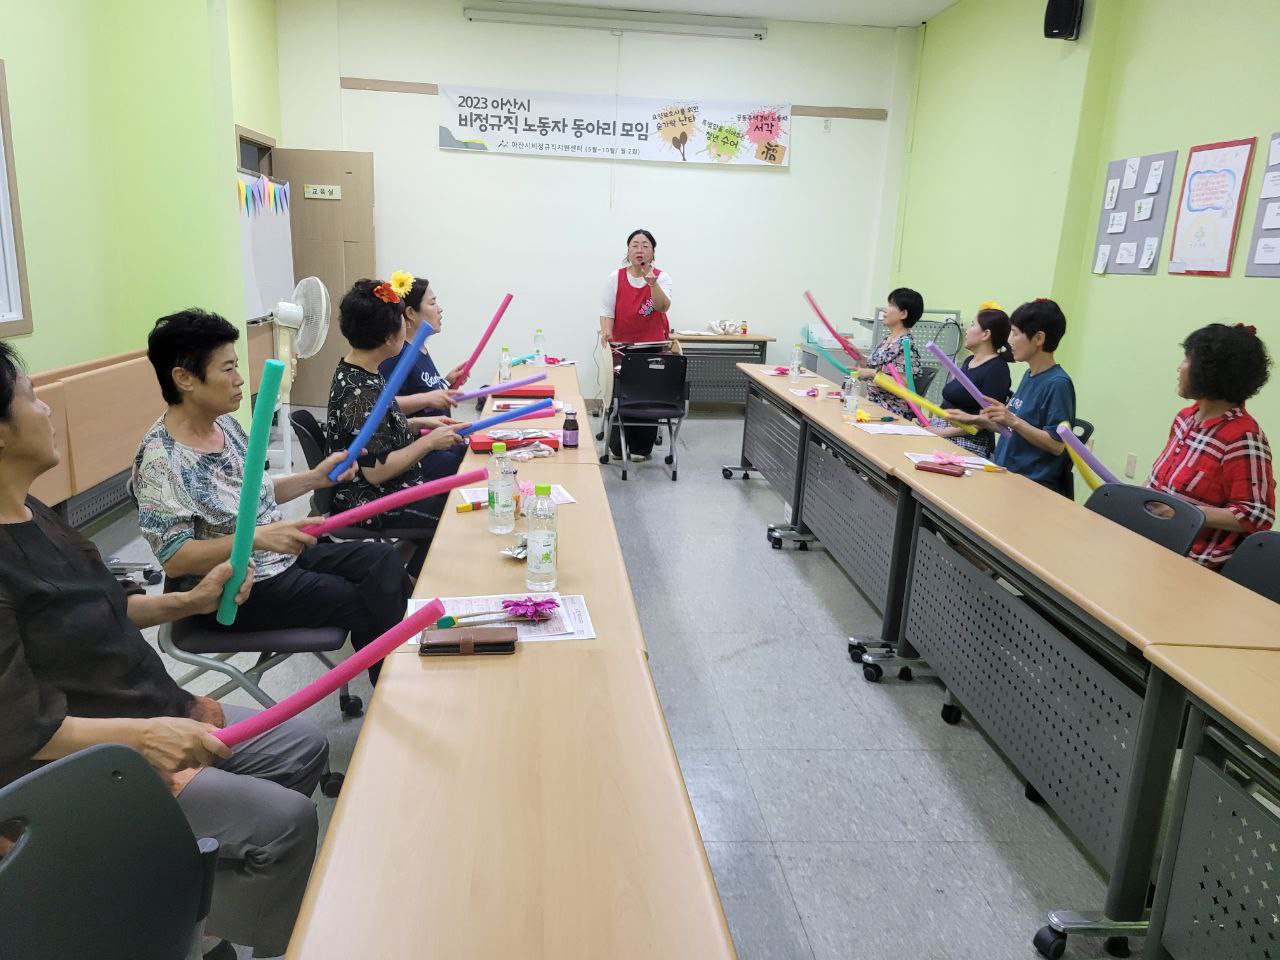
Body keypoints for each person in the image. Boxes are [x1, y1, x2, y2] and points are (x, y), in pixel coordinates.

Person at [0, 341, 324, 959]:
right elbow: (17, 729)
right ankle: (156, 924)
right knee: (286, 823)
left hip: (152, 706)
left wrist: (189, 602)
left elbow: (106, 605)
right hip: (76, 770)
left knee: (303, 745)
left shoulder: (35, 514)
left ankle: (187, 907)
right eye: (32, 398)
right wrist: (143, 736)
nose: (46, 411)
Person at [134, 308, 413, 682]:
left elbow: (256, 494)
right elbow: (176, 560)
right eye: (227, 368)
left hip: (281, 560)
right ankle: (395, 692)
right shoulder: (160, 459)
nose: (239, 379)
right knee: (364, 602)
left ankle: (402, 674)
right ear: (184, 378)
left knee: (381, 559)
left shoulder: (225, 426)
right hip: (240, 591)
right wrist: (259, 538)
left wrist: (314, 478)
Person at [327, 278, 464, 571]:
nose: (405, 326)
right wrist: (429, 441)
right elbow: (377, 472)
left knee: (458, 495)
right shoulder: (358, 393)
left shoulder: (364, 370)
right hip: (372, 500)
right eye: (401, 320)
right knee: (456, 516)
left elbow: (378, 428)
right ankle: (415, 585)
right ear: (390, 338)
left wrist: (417, 424)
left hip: (397, 485)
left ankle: (414, 571)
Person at [1148, 323, 1274, 569]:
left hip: (1193, 562)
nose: (1179, 367)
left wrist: (1181, 511)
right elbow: (1158, 483)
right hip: (1157, 542)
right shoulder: (1185, 418)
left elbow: (1258, 515)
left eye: (1187, 359)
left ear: (1210, 372)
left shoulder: (1243, 436)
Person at [976, 298, 1076, 497]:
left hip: (1029, 487)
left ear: (1038, 339)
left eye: (1015, 333)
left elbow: (1057, 445)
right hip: (1005, 474)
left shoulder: (1057, 384)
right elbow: (1015, 427)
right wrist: (977, 419)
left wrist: (1012, 419)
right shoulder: (1029, 375)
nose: (1010, 341)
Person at [379, 276, 467, 481]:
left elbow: (422, 389)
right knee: (473, 465)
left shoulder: (420, 349)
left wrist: (447, 382)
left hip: (438, 442)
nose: (440, 309)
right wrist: (428, 399)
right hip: (417, 453)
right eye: (433, 303)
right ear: (410, 313)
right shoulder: (400, 355)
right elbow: (380, 405)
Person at [598, 229, 673, 460]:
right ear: (628, 250)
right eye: (635, 245)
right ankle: (618, 444)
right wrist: (606, 332)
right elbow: (606, 310)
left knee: (646, 395)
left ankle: (642, 446)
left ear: (653, 252)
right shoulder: (615, 277)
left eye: (645, 245)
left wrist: (652, 285)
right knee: (621, 394)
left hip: (652, 347)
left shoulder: (662, 278)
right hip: (622, 348)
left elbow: (662, 307)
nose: (640, 250)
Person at [931, 302, 1013, 458]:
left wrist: (943, 432)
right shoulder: (969, 361)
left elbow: (987, 419)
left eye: (972, 326)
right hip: (943, 430)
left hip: (969, 440)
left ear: (985, 334)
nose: (967, 331)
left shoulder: (997, 369)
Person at [856, 287, 926, 420]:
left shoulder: (905, 346)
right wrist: (859, 357)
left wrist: (871, 374)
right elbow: (877, 367)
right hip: (874, 404)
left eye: (891, 305)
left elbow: (903, 385)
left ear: (903, 314)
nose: (884, 310)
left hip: (892, 413)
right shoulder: (888, 340)